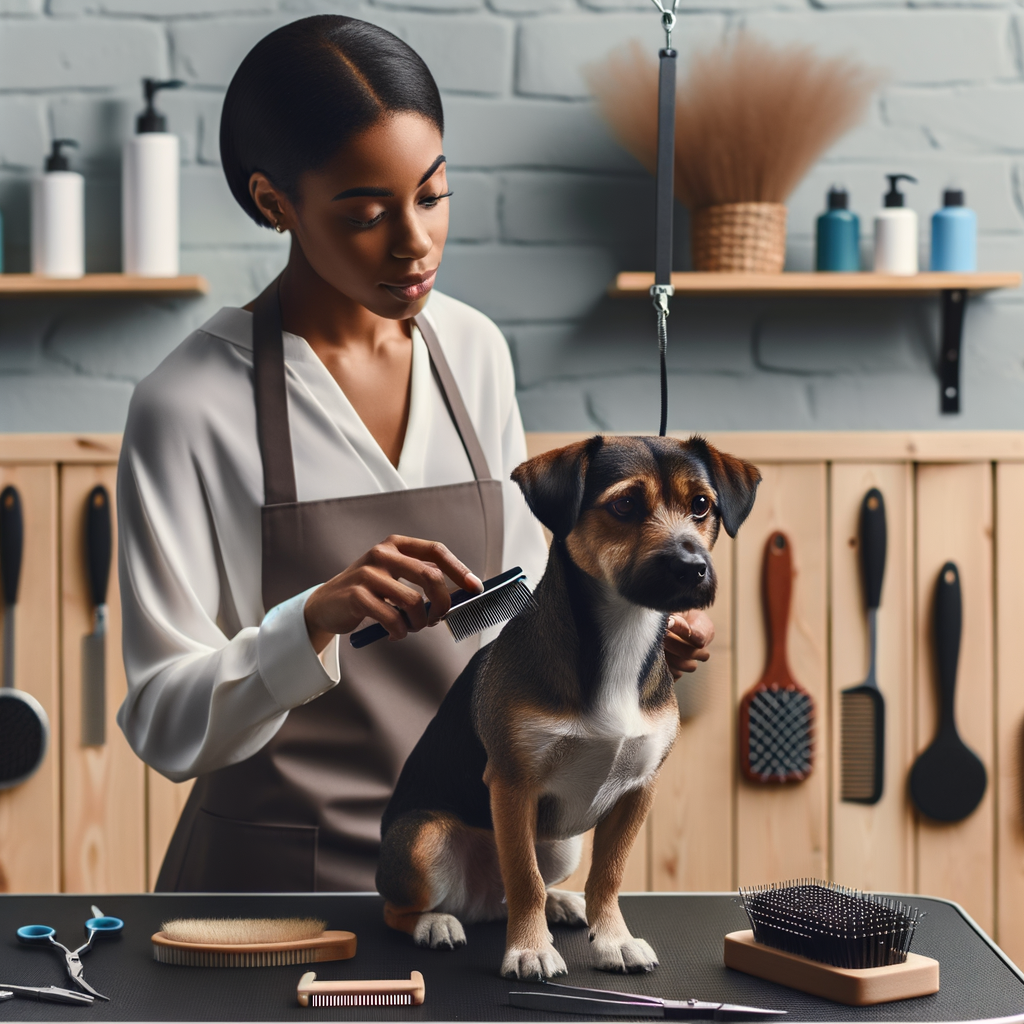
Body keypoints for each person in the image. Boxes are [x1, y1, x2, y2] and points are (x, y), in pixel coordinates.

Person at [115, 14, 714, 893]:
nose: (414, 241)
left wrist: (627, 621)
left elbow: (504, 617)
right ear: (273, 202)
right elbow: (165, 725)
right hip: (279, 886)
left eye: (432, 196)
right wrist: (312, 620)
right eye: (365, 214)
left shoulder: (471, 350)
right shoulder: (189, 404)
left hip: (480, 873)